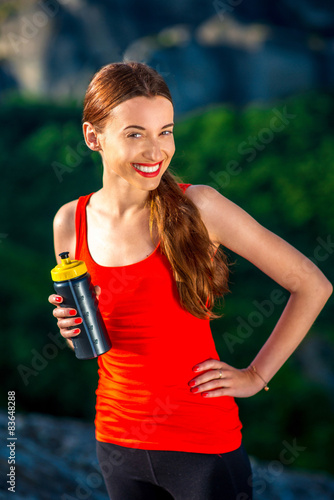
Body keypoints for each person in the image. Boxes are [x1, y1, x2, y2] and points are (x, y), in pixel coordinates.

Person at [48, 62, 332, 500]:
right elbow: (95, 338)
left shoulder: (200, 207)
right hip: (117, 443)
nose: (156, 150)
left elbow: (312, 284)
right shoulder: (70, 222)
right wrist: (71, 331)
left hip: (203, 448)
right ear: (93, 137)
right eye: (135, 133)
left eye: (166, 131)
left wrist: (257, 375)